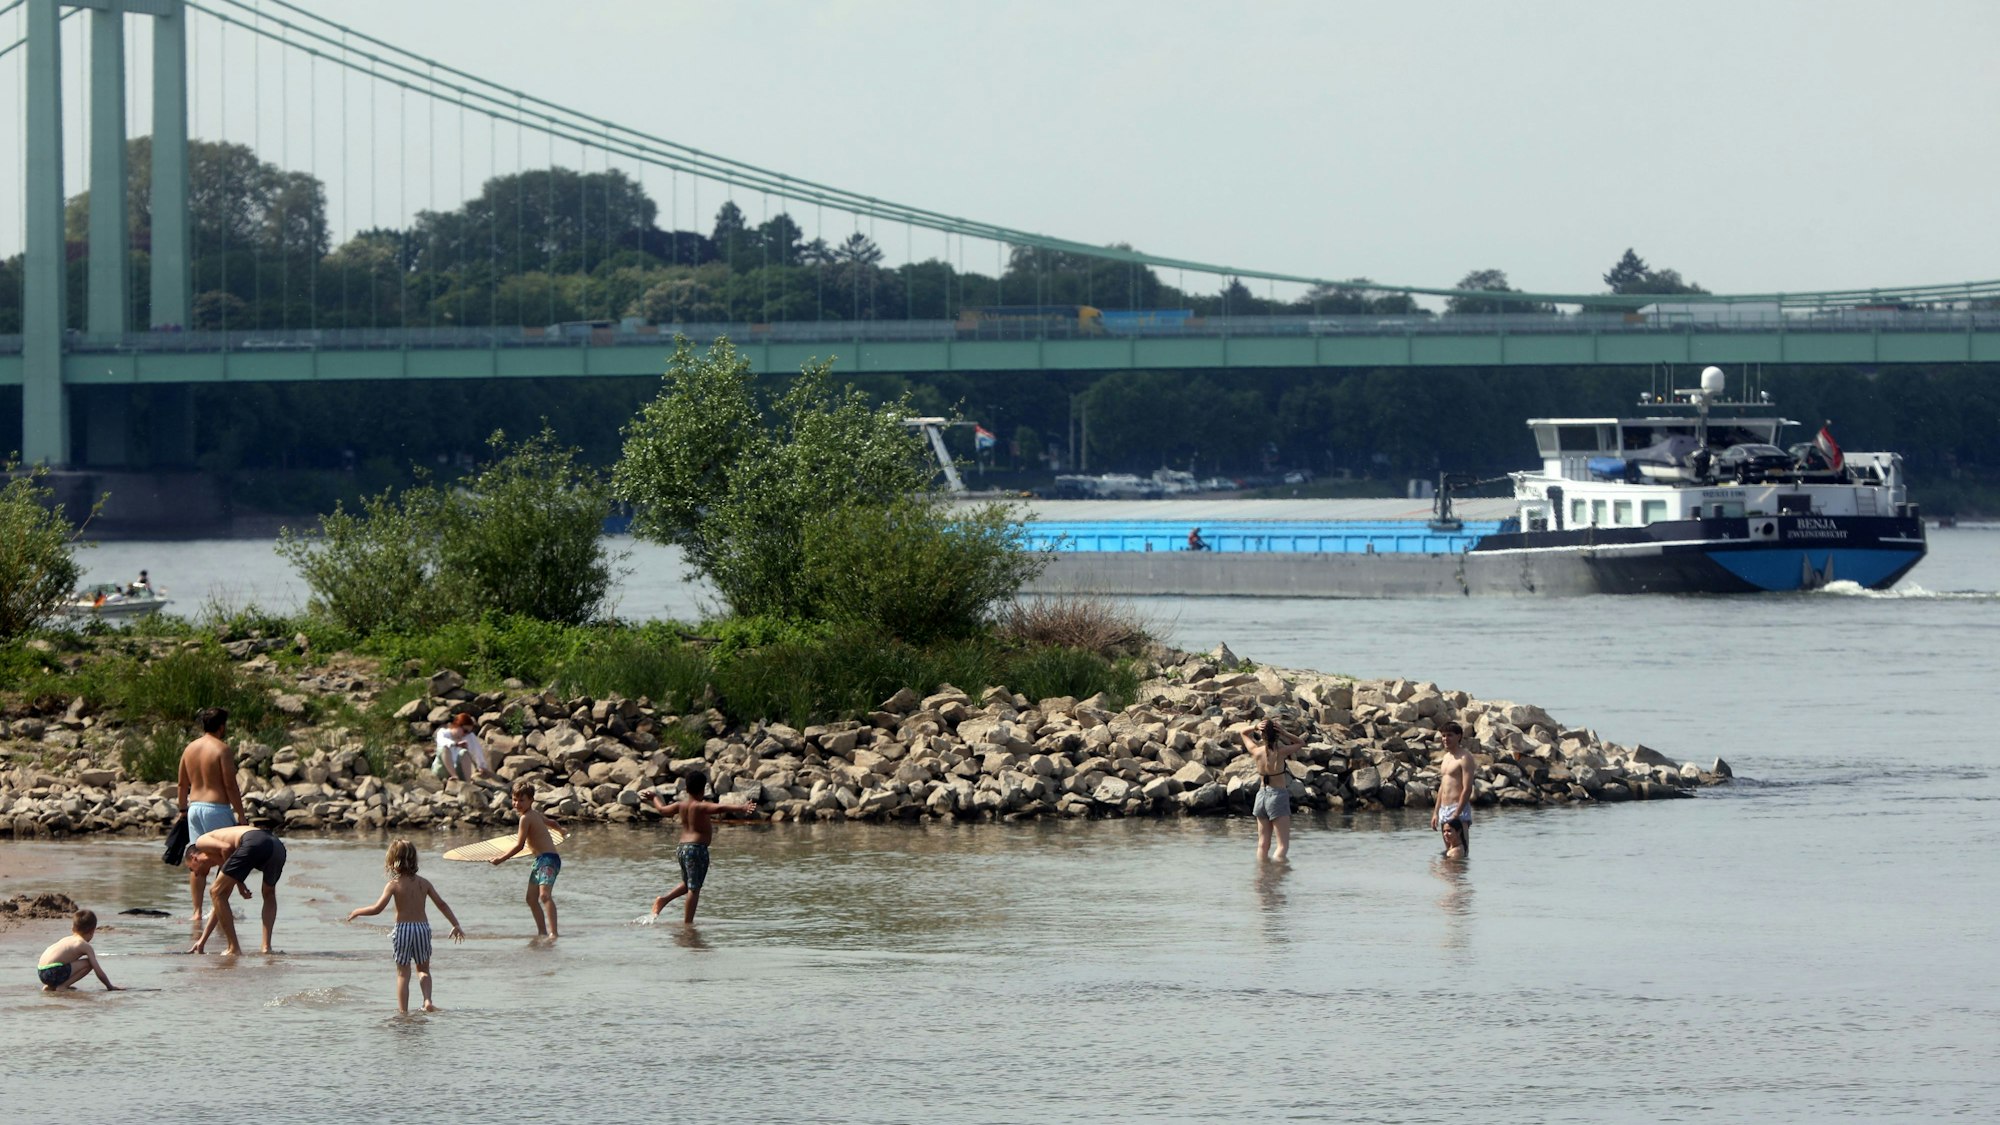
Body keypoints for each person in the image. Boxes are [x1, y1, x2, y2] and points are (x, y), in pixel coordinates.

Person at [346, 839, 465, 1013]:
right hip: (422, 929)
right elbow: (442, 904)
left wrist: (358, 911)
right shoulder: (424, 883)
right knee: (423, 969)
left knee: (403, 973)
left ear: (393, 862)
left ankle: (403, 1012)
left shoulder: (393, 885)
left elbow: (377, 909)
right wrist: (455, 924)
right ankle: (427, 1001)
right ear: (414, 860)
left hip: (403, 930)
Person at [646, 772, 746, 925]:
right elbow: (720, 807)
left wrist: (654, 797)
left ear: (686, 789)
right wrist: (741, 807)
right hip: (696, 849)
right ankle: (688, 925)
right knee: (694, 889)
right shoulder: (700, 806)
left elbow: (662, 810)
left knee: (688, 884)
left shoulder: (681, 805)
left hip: (682, 848)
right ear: (704, 789)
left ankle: (663, 900)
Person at [177, 707, 244, 928]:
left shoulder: (189, 748)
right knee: (225, 857)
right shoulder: (222, 749)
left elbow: (182, 784)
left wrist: (183, 809)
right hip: (217, 809)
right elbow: (230, 785)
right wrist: (241, 816)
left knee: (198, 858)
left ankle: (196, 912)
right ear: (222, 726)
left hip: (195, 808)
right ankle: (218, 905)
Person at [184, 825, 287, 955]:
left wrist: (239, 883)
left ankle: (233, 948)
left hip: (254, 840)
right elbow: (219, 904)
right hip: (276, 845)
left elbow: (226, 848)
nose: (195, 874)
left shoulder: (201, 841)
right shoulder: (227, 859)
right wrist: (202, 940)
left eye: (191, 869)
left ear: (194, 858)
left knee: (216, 892)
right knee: (269, 894)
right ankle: (266, 948)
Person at [491, 780, 562, 938]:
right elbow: (552, 822)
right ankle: (542, 933)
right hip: (540, 860)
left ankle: (554, 934)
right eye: (515, 800)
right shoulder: (534, 814)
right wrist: (561, 830)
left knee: (544, 896)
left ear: (531, 800)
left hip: (548, 859)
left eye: (522, 800)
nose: (517, 804)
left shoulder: (526, 818)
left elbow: (519, 846)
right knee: (531, 898)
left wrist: (500, 860)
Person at [1245, 717, 1302, 861]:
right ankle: (1277, 875)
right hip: (1277, 796)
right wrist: (1285, 733)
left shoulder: (1256, 752)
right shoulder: (1281, 752)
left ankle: (1262, 875)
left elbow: (1243, 733)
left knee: (1262, 844)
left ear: (1262, 735)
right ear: (1277, 735)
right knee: (1282, 845)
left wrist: (1255, 727)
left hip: (1261, 796)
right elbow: (1301, 742)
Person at [37, 909, 122, 992]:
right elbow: (98, 971)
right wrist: (109, 986)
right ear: (92, 931)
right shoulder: (83, 945)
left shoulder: (66, 939)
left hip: (41, 972)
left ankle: (50, 986)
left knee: (70, 961)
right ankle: (63, 986)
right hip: (53, 971)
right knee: (89, 963)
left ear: (73, 928)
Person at [1430, 721, 1475, 858]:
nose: (1445, 739)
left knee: (1461, 851)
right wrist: (1436, 813)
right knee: (1449, 852)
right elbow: (1442, 787)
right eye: (1443, 736)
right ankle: (1448, 878)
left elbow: (1467, 789)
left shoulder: (1465, 758)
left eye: (1449, 735)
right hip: (1444, 808)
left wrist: (1457, 813)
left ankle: (1461, 879)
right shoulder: (1446, 758)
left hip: (1458, 808)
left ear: (1459, 736)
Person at [433, 712, 494, 782]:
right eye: (465, 731)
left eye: (468, 732)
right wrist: (456, 744)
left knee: (464, 752)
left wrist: (482, 766)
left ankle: (467, 784)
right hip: (442, 769)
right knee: (444, 748)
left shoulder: (469, 736)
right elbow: (443, 742)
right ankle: (453, 775)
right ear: (457, 725)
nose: (466, 734)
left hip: (458, 768)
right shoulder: (443, 732)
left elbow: (477, 751)